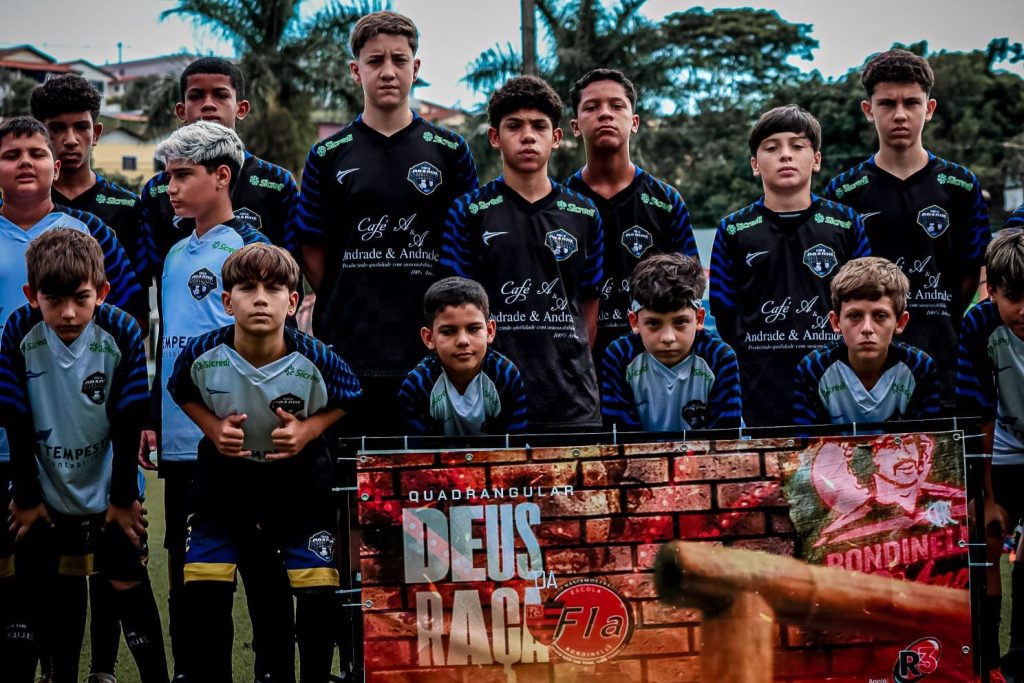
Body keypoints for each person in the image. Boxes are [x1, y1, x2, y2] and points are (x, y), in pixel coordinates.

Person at [168, 243, 361, 683]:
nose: (260, 299)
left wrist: (308, 430)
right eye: (247, 288)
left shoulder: (318, 358)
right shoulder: (200, 353)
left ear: (292, 302)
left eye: (273, 289)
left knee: (317, 589)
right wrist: (212, 428)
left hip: (299, 485)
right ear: (226, 301)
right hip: (224, 484)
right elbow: (181, 390)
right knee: (205, 585)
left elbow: (352, 396)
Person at [0, 118, 146, 653]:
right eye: (10, 154)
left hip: (76, 432)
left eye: (35, 153)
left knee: (88, 562)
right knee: (15, 569)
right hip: (10, 427)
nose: (24, 162)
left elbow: (126, 316)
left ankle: (94, 666)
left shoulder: (91, 232)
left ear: (55, 166)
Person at [296, 10, 478, 435]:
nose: (388, 71)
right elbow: (311, 248)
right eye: (375, 61)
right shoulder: (327, 155)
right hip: (349, 348)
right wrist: (348, 293)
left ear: (416, 68)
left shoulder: (450, 150)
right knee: (352, 471)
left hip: (430, 349)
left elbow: (466, 245)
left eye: (399, 60)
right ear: (355, 71)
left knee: (429, 473)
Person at [0, 228, 167, 683]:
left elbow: (128, 420)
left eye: (81, 298)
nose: (69, 312)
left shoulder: (122, 330)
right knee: (38, 587)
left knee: (127, 580)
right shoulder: (18, 329)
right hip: (44, 489)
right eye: (53, 300)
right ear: (31, 295)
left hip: (110, 487)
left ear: (103, 292)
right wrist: (26, 496)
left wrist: (122, 498)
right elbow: (14, 415)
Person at [151, 121, 282, 681]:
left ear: (222, 176)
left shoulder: (252, 251)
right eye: (168, 177)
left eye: (183, 175)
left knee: (260, 569)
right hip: (182, 442)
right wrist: (154, 420)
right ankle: (196, 674)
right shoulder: (174, 252)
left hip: (240, 441)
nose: (171, 188)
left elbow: (271, 350)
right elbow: (169, 342)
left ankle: (273, 672)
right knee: (192, 575)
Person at [824, 49, 990, 415]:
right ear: (868, 110)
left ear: (929, 109)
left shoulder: (961, 186)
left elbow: (972, 271)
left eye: (911, 103)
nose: (899, 114)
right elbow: (836, 284)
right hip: (865, 368)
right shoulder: (843, 192)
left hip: (943, 355)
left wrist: (939, 311)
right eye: (887, 103)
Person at [440, 75, 604, 432]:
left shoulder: (585, 213)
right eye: (514, 126)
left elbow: (589, 304)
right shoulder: (468, 211)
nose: (528, 136)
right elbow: (455, 305)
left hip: (572, 402)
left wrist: (571, 360)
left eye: (539, 126)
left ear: (556, 137)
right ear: (495, 137)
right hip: (494, 401)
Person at [709, 105, 871, 427]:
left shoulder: (846, 223)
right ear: (755, 164)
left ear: (817, 159)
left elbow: (864, 299)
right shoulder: (733, 230)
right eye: (772, 148)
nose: (785, 155)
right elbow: (725, 314)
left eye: (797, 146)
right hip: (761, 386)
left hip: (836, 381)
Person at [564, 68, 697, 356]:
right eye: (592, 107)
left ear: (634, 122)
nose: (605, 114)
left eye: (616, 106)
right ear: (575, 126)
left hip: (652, 361)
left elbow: (691, 285)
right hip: (579, 363)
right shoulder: (560, 204)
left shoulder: (666, 201)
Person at [138, 57, 298, 282]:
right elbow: (147, 276)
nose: (208, 104)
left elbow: (293, 269)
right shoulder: (157, 191)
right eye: (196, 96)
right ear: (181, 111)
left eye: (221, 95)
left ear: (241, 108)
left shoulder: (277, 183)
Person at [956, 227, 1024, 677]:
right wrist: (986, 496)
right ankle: (988, 662)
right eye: (1014, 297)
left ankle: (1020, 655)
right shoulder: (979, 325)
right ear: (992, 290)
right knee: (988, 545)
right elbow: (976, 410)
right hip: (998, 452)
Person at [601, 253, 741, 431]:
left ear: (699, 319)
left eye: (680, 322)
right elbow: (622, 437)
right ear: (634, 322)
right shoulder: (619, 357)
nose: (668, 337)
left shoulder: (719, 359)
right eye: (653, 323)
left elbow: (725, 440)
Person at [794, 256, 941, 425]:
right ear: (836, 322)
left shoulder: (920, 367)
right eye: (855, 316)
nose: (867, 328)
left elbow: (927, 439)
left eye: (880, 316)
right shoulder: (813, 369)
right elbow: (806, 440)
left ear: (900, 322)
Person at [31, 73, 147, 284]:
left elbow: (137, 295)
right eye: (57, 128)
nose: (71, 140)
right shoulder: (23, 206)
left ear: (96, 133)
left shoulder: (128, 207)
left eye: (81, 127)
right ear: (39, 134)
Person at [398, 276, 527, 435]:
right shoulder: (418, 384)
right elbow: (417, 449)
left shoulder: (505, 375)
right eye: (448, 331)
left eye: (473, 329)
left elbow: (514, 444)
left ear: (490, 331)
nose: (463, 341)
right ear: (429, 338)